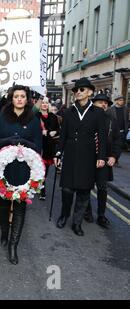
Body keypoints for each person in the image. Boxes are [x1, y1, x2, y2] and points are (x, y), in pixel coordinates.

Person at [0, 85, 42, 265]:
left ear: (27, 99)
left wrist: (24, 142)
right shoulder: (1, 118)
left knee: (20, 205)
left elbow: (38, 146)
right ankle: (4, 232)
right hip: (4, 169)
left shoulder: (34, 119)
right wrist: (8, 141)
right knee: (3, 204)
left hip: (24, 170)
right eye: (16, 96)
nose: (19, 99)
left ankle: (13, 246)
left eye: (23, 96)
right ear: (12, 99)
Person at [55, 78, 106, 236]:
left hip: (88, 156)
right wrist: (58, 153)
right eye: (76, 90)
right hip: (70, 155)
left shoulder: (97, 113)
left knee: (84, 192)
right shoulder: (68, 112)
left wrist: (101, 156)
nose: (78, 92)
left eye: (82, 89)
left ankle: (77, 223)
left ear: (90, 92)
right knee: (67, 190)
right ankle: (64, 215)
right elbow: (62, 135)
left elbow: (102, 136)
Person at [84, 93, 121, 228]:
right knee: (85, 186)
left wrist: (114, 156)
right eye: (100, 102)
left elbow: (117, 140)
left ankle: (101, 216)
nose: (103, 104)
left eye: (106, 103)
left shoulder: (112, 121)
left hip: (104, 159)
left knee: (102, 188)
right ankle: (86, 211)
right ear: (93, 104)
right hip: (87, 159)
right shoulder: (86, 118)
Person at [36, 97, 60, 200]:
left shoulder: (53, 117)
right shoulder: (36, 117)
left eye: (46, 103)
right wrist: (40, 132)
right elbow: (32, 131)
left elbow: (59, 130)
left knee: (45, 171)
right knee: (40, 169)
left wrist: (54, 132)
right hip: (39, 146)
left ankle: (40, 187)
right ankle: (42, 191)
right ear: (40, 105)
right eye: (43, 103)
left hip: (49, 147)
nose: (45, 104)